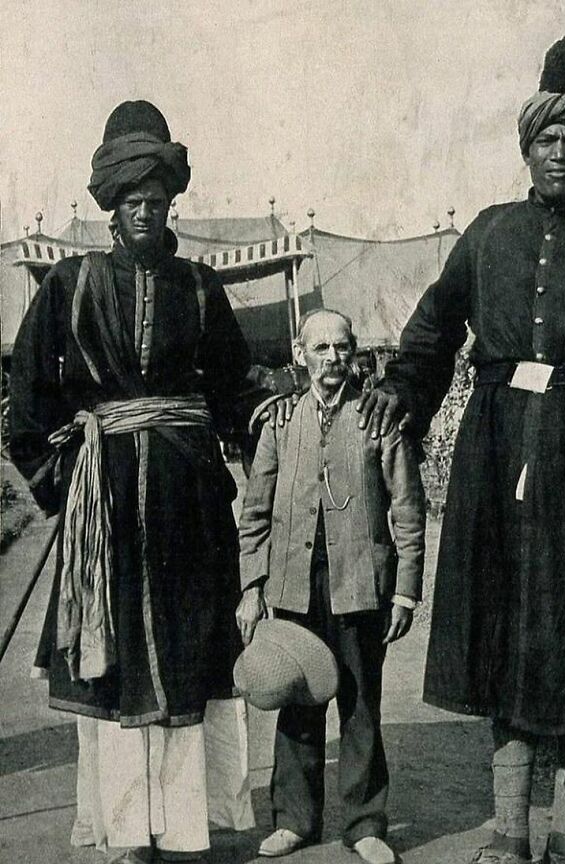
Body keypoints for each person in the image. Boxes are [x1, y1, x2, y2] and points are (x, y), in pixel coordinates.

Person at [354, 33, 565, 864]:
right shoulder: (487, 234)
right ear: (528, 142)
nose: (559, 154)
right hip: (497, 444)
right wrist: (403, 390)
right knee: (508, 637)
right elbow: (432, 334)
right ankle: (509, 834)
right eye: (547, 139)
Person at [10, 100, 261, 862]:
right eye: (133, 201)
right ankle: (126, 832)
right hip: (108, 498)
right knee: (113, 659)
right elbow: (28, 396)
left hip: (189, 495)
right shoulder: (69, 284)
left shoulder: (198, 287)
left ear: (171, 202)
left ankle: (184, 829)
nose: (146, 211)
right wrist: (66, 471)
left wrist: (272, 433)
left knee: (187, 655)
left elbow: (234, 388)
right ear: (111, 208)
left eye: (158, 199)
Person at [235, 309, 426, 864]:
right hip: (294, 587)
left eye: (341, 348)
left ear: (355, 353)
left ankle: (366, 825)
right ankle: (294, 820)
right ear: (300, 355)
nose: (331, 360)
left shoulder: (379, 421)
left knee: (360, 703)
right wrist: (253, 585)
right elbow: (255, 514)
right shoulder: (277, 423)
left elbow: (409, 511)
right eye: (319, 349)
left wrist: (405, 591)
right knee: (297, 701)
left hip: (360, 585)